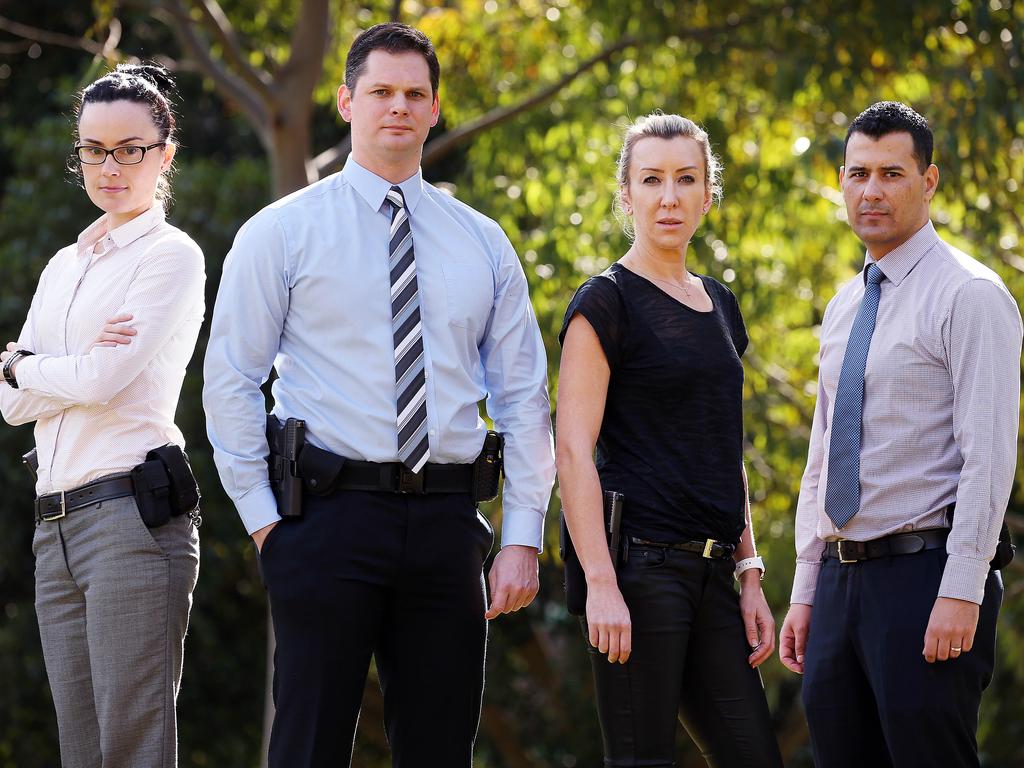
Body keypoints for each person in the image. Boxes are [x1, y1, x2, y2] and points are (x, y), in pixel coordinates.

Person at [202, 22, 555, 768]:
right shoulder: (282, 233)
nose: (398, 106)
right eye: (381, 91)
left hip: (448, 525)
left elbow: (522, 394)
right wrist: (267, 528)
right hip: (326, 522)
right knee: (307, 746)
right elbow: (232, 377)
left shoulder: (483, 242)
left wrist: (522, 531)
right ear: (345, 101)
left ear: (434, 110)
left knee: (438, 749)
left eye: (415, 94)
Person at [779, 101, 1022, 767]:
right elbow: (822, 456)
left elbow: (990, 456)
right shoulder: (844, 304)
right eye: (859, 174)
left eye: (892, 173)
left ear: (930, 181)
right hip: (838, 584)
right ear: (841, 181)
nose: (872, 191)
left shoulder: (970, 296)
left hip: (926, 578)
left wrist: (962, 586)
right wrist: (805, 589)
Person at [556, 112, 783, 768]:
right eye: (651, 180)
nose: (669, 196)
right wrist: (600, 582)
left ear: (708, 194)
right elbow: (572, 452)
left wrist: (748, 572)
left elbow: (724, 449)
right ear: (625, 195)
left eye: (686, 179)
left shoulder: (720, 303)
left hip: (714, 574)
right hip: (639, 570)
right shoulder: (605, 303)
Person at [0, 64, 205, 768]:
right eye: (93, 148)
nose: (108, 165)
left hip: (129, 521)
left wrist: (26, 364)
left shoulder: (170, 257)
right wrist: (43, 372)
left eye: (130, 148)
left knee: (131, 750)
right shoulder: (63, 265)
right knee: (82, 754)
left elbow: (99, 378)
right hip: (53, 526)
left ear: (165, 153)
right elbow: (10, 401)